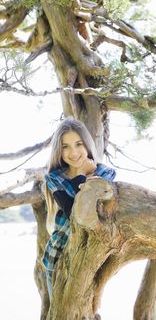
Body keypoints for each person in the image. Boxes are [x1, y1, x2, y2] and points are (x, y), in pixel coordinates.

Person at [42, 117, 116, 299]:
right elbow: (73, 213)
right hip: (58, 256)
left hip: (92, 256)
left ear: (87, 144)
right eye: (65, 146)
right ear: (59, 150)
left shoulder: (106, 173)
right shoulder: (54, 178)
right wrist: (82, 173)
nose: (73, 152)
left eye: (78, 144)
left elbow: (98, 213)